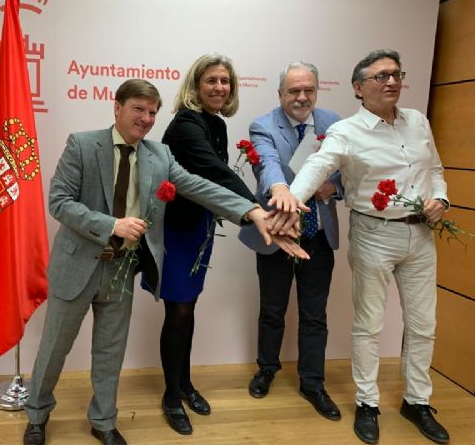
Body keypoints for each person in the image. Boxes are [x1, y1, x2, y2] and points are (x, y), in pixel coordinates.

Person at [23, 79, 308, 445]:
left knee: (110, 353)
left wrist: (252, 212)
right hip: (77, 266)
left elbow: (200, 186)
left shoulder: (159, 156)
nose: (145, 118)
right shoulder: (82, 144)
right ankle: (37, 415)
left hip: (121, 269)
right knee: (53, 350)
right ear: (117, 107)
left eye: (152, 112)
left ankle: (104, 421)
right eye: (138, 109)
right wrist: (113, 225)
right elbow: (60, 202)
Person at [287, 50, 450, 444]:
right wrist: (291, 202)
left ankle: (417, 401)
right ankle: (368, 403)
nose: (391, 82)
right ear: (359, 88)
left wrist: (441, 200)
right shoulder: (347, 131)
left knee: (423, 325)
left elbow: (436, 170)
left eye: (396, 74)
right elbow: (317, 166)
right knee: (369, 325)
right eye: (380, 77)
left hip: (421, 236)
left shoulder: (418, 121)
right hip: (374, 234)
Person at [140, 53, 260, 435]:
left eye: (225, 81)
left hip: (198, 230)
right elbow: (215, 171)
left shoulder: (216, 123)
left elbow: (214, 181)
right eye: (211, 81)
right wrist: (257, 208)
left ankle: (185, 384)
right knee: (177, 314)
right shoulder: (187, 124)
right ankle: (172, 397)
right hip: (175, 233)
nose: (220, 88)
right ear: (195, 86)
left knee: (187, 310)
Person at [238, 61, 343, 421]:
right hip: (277, 231)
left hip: (318, 233)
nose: (302, 97)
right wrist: (282, 189)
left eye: (308, 90)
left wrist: (333, 187)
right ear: (280, 93)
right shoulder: (263, 126)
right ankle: (267, 368)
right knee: (272, 309)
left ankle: (313, 382)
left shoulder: (334, 123)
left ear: (317, 90)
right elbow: (266, 165)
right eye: (294, 91)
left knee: (315, 315)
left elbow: (348, 174)